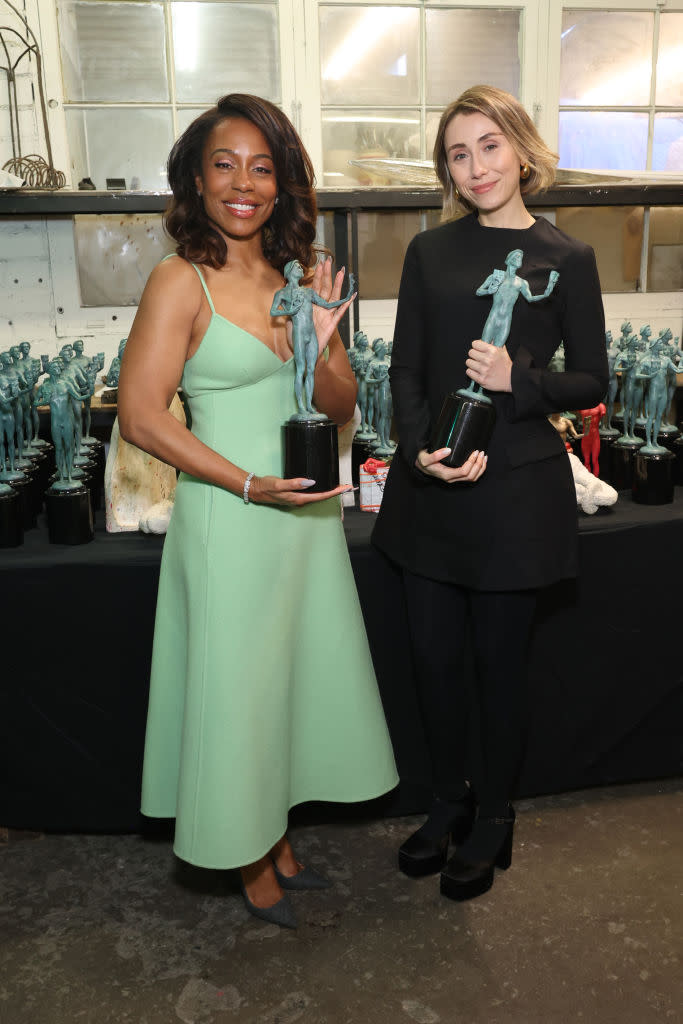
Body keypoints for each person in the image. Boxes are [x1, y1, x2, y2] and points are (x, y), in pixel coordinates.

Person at [117, 94, 397, 929]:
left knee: (288, 685)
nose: (244, 183)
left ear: (283, 182)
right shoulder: (180, 279)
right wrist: (244, 484)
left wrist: (320, 335)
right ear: (196, 182)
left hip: (303, 525)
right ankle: (247, 859)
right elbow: (141, 415)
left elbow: (339, 405)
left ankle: (275, 840)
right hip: (232, 522)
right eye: (224, 165)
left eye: (262, 166)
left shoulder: (295, 275)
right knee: (239, 692)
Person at [372, 84, 608, 902]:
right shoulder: (429, 253)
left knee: (496, 666)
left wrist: (521, 380)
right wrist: (416, 454)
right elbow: (404, 368)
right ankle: (446, 801)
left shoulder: (565, 258)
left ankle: (496, 816)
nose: (474, 166)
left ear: (521, 149)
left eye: (488, 146)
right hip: (430, 494)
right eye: (457, 152)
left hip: (514, 500)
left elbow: (592, 380)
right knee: (433, 664)